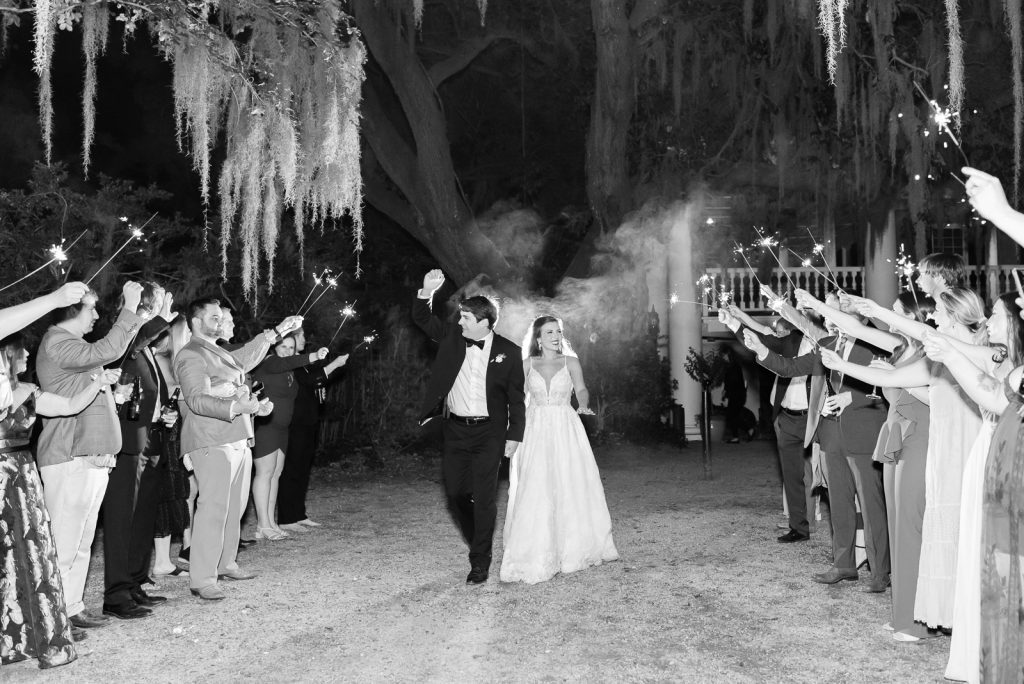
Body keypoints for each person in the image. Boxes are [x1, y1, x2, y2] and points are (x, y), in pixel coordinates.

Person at [841, 287, 986, 629]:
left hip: (929, 438)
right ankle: (905, 615)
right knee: (900, 526)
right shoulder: (911, 349)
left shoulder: (945, 352)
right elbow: (864, 337)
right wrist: (817, 312)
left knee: (915, 529)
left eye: (897, 312)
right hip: (903, 433)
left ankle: (915, 620)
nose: (934, 317)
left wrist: (897, 381)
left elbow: (947, 399)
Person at [800, 288, 936, 640]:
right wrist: (812, 305)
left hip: (910, 433)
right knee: (891, 514)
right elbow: (858, 333)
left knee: (899, 519)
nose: (888, 317)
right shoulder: (899, 347)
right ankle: (902, 609)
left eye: (895, 312)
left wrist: (875, 380)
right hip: (894, 431)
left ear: (912, 316)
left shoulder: (925, 348)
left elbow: (908, 389)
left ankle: (895, 589)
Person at [0, 283, 121, 668]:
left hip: (21, 474)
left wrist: (97, 385)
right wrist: (54, 300)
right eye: (19, 349)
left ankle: (60, 611)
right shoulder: (52, 346)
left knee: (35, 551)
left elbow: (68, 404)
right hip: (13, 472)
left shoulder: (27, 391)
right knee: (47, 544)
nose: (25, 353)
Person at [742, 292, 889, 591]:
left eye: (832, 311)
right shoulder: (828, 345)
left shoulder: (875, 343)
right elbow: (790, 368)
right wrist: (760, 350)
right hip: (832, 433)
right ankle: (844, 564)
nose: (826, 318)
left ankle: (880, 571)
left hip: (864, 432)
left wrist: (854, 396)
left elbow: (889, 385)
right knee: (838, 502)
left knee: (872, 505)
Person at [922, 293, 1024, 681]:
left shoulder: (1007, 365)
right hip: (997, 458)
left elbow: (994, 397)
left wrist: (947, 352)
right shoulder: (1004, 361)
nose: (988, 323)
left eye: (996, 316)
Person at [36, 280, 146, 630]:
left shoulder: (74, 346)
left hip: (91, 455)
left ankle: (71, 607)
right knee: (64, 542)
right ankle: (52, 617)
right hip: (70, 453)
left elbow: (104, 356)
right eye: (92, 309)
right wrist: (129, 307)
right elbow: (108, 350)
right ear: (73, 310)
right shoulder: (57, 341)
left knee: (83, 539)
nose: (97, 316)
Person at [174, 298, 300, 600]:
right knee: (213, 508)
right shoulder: (191, 354)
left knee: (234, 508)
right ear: (196, 321)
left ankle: (226, 563)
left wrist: (277, 333)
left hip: (238, 438)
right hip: (211, 438)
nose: (220, 322)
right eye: (214, 317)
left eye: (221, 317)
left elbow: (244, 359)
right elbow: (196, 399)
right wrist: (235, 405)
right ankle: (202, 578)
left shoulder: (218, 351)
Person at [412, 269, 525, 585]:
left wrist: (514, 436)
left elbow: (517, 400)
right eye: (459, 317)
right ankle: (479, 535)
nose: (459, 322)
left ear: (485, 323)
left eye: (466, 319)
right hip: (456, 431)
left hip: (491, 433)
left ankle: (480, 561)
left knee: (486, 498)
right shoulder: (451, 338)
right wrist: (426, 290)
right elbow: (422, 318)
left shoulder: (510, 352)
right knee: (457, 493)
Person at [499, 316, 618, 584]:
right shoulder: (527, 364)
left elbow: (582, 389)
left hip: (565, 426)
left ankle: (571, 547)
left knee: (568, 482)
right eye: (549, 331)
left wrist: (583, 404)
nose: (555, 335)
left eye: (558, 331)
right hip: (535, 428)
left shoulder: (571, 362)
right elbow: (514, 397)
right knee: (537, 485)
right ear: (538, 338)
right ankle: (536, 548)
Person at [101, 284, 177, 620]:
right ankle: (115, 595)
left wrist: (163, 413)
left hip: (148, 443)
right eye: (157, 302)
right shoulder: (123, 341)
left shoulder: (145, 350)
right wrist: (158, 317)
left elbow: (149, 394)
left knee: (142, 518)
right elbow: (132, 338)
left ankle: (133, 582)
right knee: (120, 522)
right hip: (125, 448)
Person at [720, 306, 813, 543]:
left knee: (829, 474)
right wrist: (734, 323)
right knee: (792, 476)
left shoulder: (825, 344)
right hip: (788, 418)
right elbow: (761, 341)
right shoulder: (791, 340)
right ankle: (799, 528)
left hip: (817, 418)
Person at [251, 334, 330, 539]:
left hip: (283, 429)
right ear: (274, 347)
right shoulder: (269, 363)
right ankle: (262, 525)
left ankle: (271, 522)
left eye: (291, 347)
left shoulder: (288, 371)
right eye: (283, 346)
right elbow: (286, 361)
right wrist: (313, 356)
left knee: (276, 474)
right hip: (266, 426)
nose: (287, 350)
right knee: (265, 473)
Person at [278, 328, 347, 531]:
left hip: (309, 421)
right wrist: (335, 364)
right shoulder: (291, 363)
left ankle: (299, 513)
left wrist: (319, 393)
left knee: (302, 469)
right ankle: (286, 518)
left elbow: (314, 383)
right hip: (294, 423)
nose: (304, 339)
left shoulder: (304, 363)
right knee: (291, 469)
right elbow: (310, 380)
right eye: (300, 336)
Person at [151, 316, 192, 577]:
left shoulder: (176, 362)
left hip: (173, 432)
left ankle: (164, 560)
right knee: (163, 496)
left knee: (172, 496)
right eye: (187, 331)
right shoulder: (163, 361)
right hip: (163, 434)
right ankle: (161, 561)